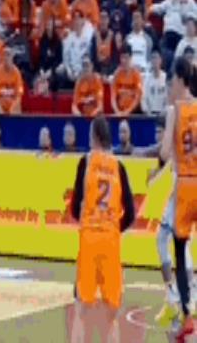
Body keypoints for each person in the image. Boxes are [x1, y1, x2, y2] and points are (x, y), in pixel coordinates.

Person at [70, 116, 135, 343]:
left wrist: (88, 220)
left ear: (95, 137)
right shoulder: (118, 166)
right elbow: (131, 213)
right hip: (110, 239)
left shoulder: (86, 162)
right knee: (112, 316)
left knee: (81, 309)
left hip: (89, 236)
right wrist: (114, 227)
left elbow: (74, 206)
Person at [159, 57, 197, 339]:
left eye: (173, 79)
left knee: (181, 251)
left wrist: (171, 148)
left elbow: (163, 153)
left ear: (180, 79)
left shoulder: (175, 110)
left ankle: (187, 316)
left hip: (184, 185)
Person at [149, 0, 197, 71]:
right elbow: (159, 8)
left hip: (181, 35)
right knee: (161, 52)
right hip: (168, 35)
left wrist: (187, 17)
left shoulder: (189, 0)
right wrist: (149, 8)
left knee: (176, 55)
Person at [57, 9, 95, 89]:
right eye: (74, 19)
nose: (77, 21)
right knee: (60, 71)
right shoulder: (68, 38)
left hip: (83, 71)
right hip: (71, 72)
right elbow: (66, 58)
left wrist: (80, 73)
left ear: (83, 20)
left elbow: (89, 57)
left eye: (78, 18)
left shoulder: (88, 38)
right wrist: (70, 72)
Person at [111, 45, 143, 116]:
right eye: (122, 57)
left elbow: (137, 98)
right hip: (120, 111)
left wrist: (127, 112)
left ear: (131, 58)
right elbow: (113, 96)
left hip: (134, 113)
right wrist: (117, 111)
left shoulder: (136, 74)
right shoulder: (117, 74)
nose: (124, 60)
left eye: (126, 57)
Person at [0, 47, 24, 115]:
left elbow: (19, 96)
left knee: (17, 110)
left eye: (8, 55)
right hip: (1, 104)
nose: (6, 58)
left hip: (13, 104)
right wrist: (0, 110)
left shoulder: (17, 73)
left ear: (12, 57)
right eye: (4, 55)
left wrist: (12, 109)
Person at [37, 18, 63, 92]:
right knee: (36, 82)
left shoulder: (58, 42)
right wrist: (41, 70)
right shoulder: (42, 41)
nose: (48, 27)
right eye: (47, 25)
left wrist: (51, 71)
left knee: (52, 81)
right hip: (43, 71)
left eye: (50, 25)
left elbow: (59, 60)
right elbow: (40, 58)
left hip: (53, 70)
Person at [126, 9, 154, 75]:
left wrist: (144, 69)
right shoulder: (127, 39)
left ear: (142, 21)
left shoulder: (148, 39)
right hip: (130, 73)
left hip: (144, 72)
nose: (136, 21)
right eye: (134, 18)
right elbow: (125, 58)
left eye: (138, 17)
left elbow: (149, 59)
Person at [141, 49, 167, 115]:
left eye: (156, 58)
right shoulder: (146, 79)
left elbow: (168, 99)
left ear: (160, 60)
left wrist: (163, 112)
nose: (154, 60)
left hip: (163, 114)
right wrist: (147, 112)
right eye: (152, 58)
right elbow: (143, 98)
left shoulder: (165, 78)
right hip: (150, 114)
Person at [93, 9, 115, 76]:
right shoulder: (94, 36)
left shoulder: (113, 36)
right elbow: (92, 56)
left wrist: (109, 72)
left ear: (108, 20)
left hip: (110, 70)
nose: (103, 21)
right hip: (97, 70)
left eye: (105, 18)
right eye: (101, 18)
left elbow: (116, 58)